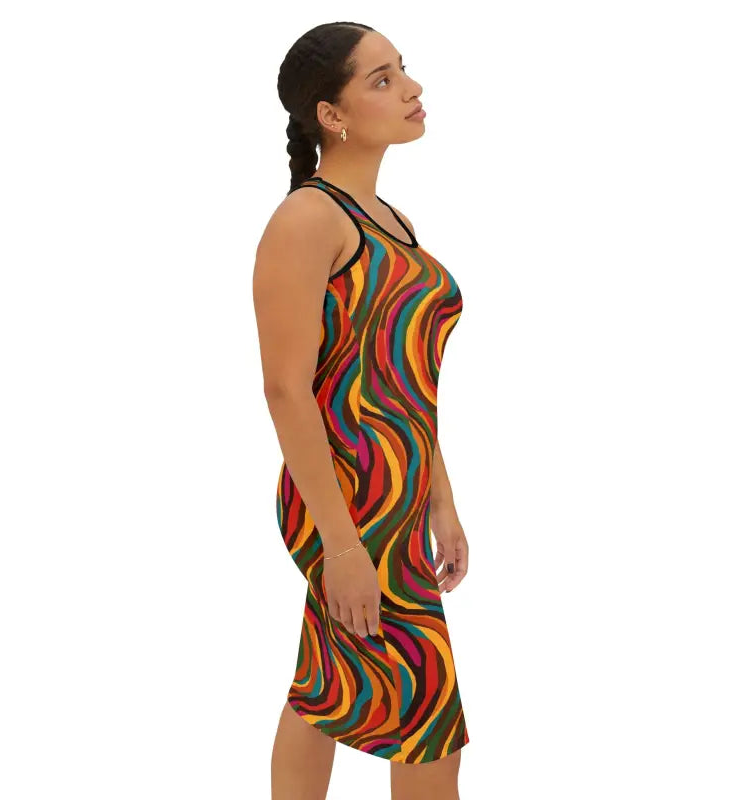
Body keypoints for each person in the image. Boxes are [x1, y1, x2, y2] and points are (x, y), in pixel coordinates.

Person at [253, 21, 470, 800]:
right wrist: (342, 547)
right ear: (331, 114)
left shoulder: (393, 222)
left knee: (329, 684)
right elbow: (286, 389)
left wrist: (441, 500)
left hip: (399, 494)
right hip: (350, 495)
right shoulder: (308, 219)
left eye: (401, 69)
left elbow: (403, 383)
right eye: (381, 79)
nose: (411, 88)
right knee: (426, 711)